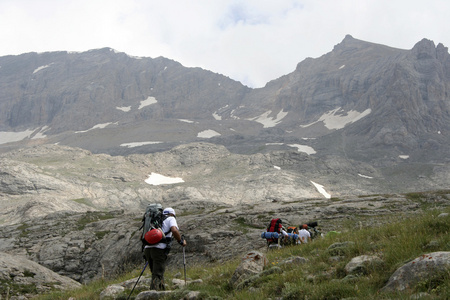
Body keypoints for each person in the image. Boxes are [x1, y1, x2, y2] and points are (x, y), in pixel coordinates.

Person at [143, 207, 187, 290]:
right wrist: (181, 241)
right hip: (159, 249)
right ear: (172, 214)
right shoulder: (171, 218)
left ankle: (161, 292)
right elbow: (174, 230)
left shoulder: (152, 220)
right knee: (157, 273)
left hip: (147, 249)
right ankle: (154, 294)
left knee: (155, 272)